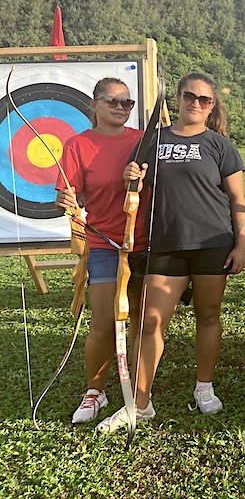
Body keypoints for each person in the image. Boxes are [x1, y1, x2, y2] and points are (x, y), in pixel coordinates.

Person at [99, 72, 245, 432]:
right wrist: (129, 175)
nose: (195, 103)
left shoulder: (220, 145)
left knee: (208, 316)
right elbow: (133, 185)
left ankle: (204, 387)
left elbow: (238, 200)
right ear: (177, 99)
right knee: (150, 322)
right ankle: (141, 402)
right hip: (165, 244)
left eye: (204, 100)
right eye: (189, 96)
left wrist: (241, 242)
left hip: (213, 243)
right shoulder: (154, 140)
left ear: (212, 107)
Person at [54, 78, 147, 424]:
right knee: (104, 322)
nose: (121, 108)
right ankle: (95, 392)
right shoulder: (78, 145)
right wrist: (64, 199)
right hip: (106, 241)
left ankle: (138, 392)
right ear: (94, 104)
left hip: (146, 243)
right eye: (113, 102)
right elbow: (67, 194)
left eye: (127, 104)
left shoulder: (142, 140)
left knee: (140, 320)